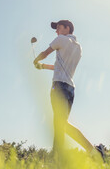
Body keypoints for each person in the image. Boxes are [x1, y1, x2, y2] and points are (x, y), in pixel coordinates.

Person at [33, 20, 105, 161]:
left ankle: (94, 152)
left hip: (59, 86)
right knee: (60, 125)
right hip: (70, 89)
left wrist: (35, 60)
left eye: (58, 27)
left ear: (67, 28)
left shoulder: (61, 39)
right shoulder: (78, 48)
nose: (56, 31)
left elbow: (45, 53)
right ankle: (56, 159)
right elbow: (58, 66)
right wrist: (42, 67)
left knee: (61, 123)